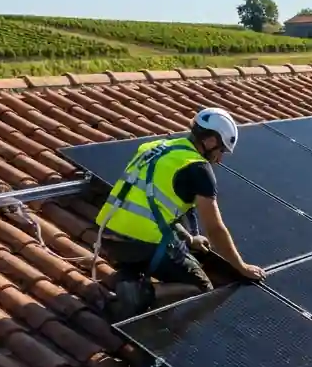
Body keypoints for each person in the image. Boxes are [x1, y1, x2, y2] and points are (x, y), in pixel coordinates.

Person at [95, 107, 266, 322]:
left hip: (108, 236)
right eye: (221, 150)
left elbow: (155, 207)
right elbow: (214, 228)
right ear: (211, 141)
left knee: (169, 248)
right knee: (200, 287)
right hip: (141, 243)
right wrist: (240, 266)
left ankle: (127, 277)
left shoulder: (153, 147)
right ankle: (143, 293)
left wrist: (190, 238)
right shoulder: (197, 168)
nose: (220, 159)